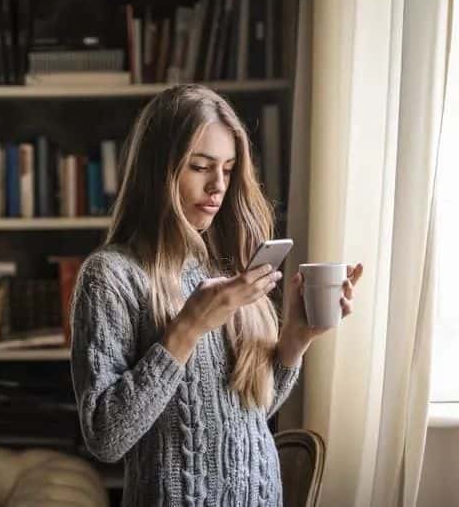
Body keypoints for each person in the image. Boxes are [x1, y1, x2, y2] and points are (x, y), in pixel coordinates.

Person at [69, 84, 363, 507]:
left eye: (227, 169)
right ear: (159, 172)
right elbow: (107, 436)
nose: (218, 186)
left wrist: (294, 343)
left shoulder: (220, 267)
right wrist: (188, 328)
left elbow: (246, 413)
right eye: (201, 166)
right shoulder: (110, 277)